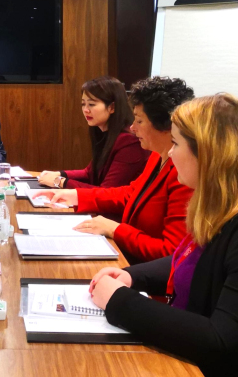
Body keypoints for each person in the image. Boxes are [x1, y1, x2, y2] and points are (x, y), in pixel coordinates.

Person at [88, 94, 238, 376]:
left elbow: (222, 340)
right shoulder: (231, 205)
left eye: (175, 143)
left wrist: (119, 301)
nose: (170, 153)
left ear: (208, 153)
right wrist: (133, 276)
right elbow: (197, 260)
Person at [39, 76, 194, 263]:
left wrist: (114, 229)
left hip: (143, 269)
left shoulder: (185, 174)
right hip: (129, 256)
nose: (133, 127)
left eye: (139, 121)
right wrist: (76, 195)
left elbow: (171, 253)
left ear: (165, 126)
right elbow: (130, 193)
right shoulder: (157, 155)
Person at [38, 76, 149, 190]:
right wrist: (59, 174)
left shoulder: (130, 141)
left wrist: (59, 181)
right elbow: (89, 173)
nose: (85, 110)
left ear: (112, 107)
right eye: (83, 104)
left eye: (91, 104)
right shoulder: (103, 131)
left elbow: (106, 192)